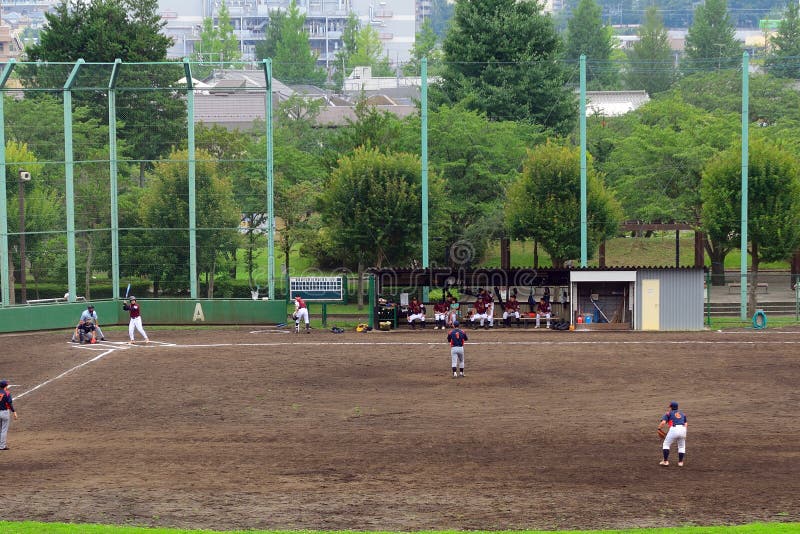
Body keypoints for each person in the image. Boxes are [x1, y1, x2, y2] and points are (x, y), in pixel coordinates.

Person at [658, 401, 688, 467]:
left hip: (674, 429)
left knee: (666, 444)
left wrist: (659, 428)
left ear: (671, 407)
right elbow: (685, 424)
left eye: (670, 407)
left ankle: (665, 461)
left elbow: (663, 423)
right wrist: (684, 432)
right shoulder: (683, 414)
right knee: (682, 446)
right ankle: (680, 462)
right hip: (683, 429)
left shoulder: (668, 413)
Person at [0, 379, 18, 450]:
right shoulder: (7, 393)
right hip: (4, 413)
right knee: (3, 430)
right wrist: (14, 412)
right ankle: (2, 446)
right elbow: (9, 404)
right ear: (6, 385)